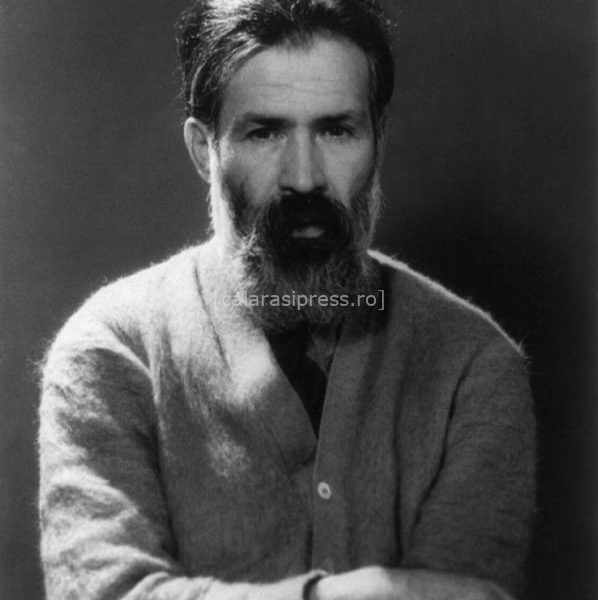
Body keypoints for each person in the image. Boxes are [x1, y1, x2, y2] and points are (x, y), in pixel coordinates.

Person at [38, 1, 536, 599]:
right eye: (265, 132)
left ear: (378, 139)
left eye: (336, 130)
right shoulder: (113, 353)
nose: (304, 176)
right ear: (204, 150)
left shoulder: (474, 368)